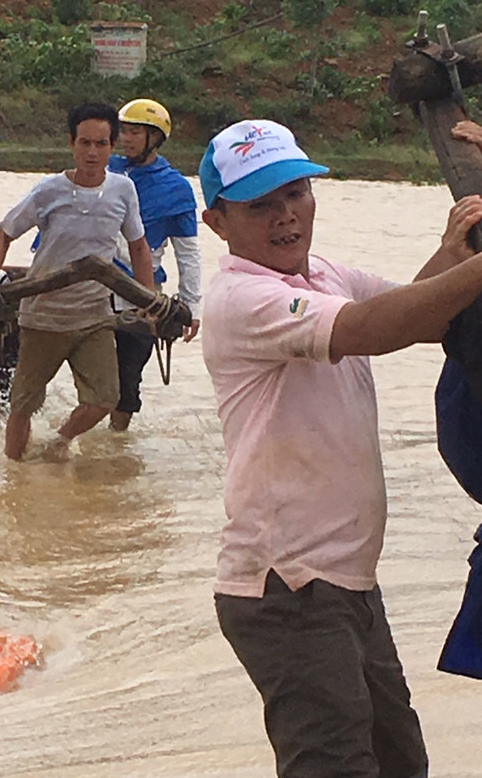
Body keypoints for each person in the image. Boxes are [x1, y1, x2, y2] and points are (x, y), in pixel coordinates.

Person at [198, 118, 482, 777]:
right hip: (288, 587)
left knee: (399, 762)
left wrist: (455, 253)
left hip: (346, 582)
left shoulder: (322, 275)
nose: (286, 217)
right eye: (260, 206)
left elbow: (417, 311)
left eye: (295, 194)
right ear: (217, 223)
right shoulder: (243, 297)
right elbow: (369, 328)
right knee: (334, 766)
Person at [0, 102, 154, 460]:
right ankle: (14, 474)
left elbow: (138, 247)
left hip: (93, 316)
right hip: (43, 317)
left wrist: (149, 302)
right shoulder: (48, 191)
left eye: (101, 144)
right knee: (23, 404)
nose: (92, 152)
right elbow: (3, 235)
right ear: (71, 143)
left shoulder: (123, 191)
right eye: (85, 143)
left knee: (105, 398)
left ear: (112, 147)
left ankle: (59, 441)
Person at [107, 97, 201, 431]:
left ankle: (115, 438)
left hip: (140, 294)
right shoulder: (104, 169)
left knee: (127, 383)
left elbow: (187, 251)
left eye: (136, 132)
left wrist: (191, 305)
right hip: (91, 288)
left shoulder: (176, 188)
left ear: (155, 139)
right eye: (124, 131)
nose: (126, 138)